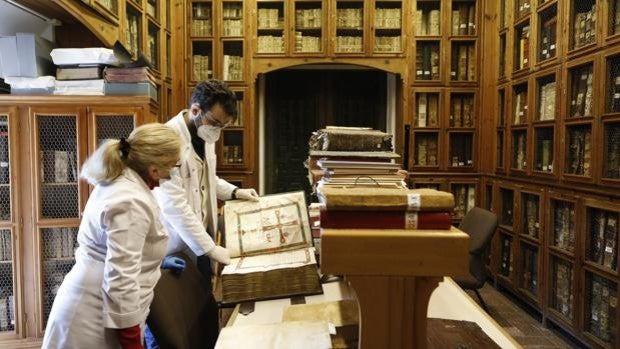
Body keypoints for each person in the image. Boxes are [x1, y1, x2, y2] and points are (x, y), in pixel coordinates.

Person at [42, 123, 181, 349]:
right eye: (172, 166)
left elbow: (119, 248)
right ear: (155, 168)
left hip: (102, 303)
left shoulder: (124, 182)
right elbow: (120, 279)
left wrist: (158, 261)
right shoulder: (130, 199)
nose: (171, 174)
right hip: (95, 314)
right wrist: (132, 341)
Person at [149, 80, 258, 347]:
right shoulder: (168, 140)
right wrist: (210, 248)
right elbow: (175, 205)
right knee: (171, 319)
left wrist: (235, 192)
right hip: (176, 245)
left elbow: (208, 179)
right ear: (196, 110)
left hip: (199, 240)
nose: (218, 131)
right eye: (216, 123)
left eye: (224, 126)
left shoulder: (203, 136)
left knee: (200, 311)